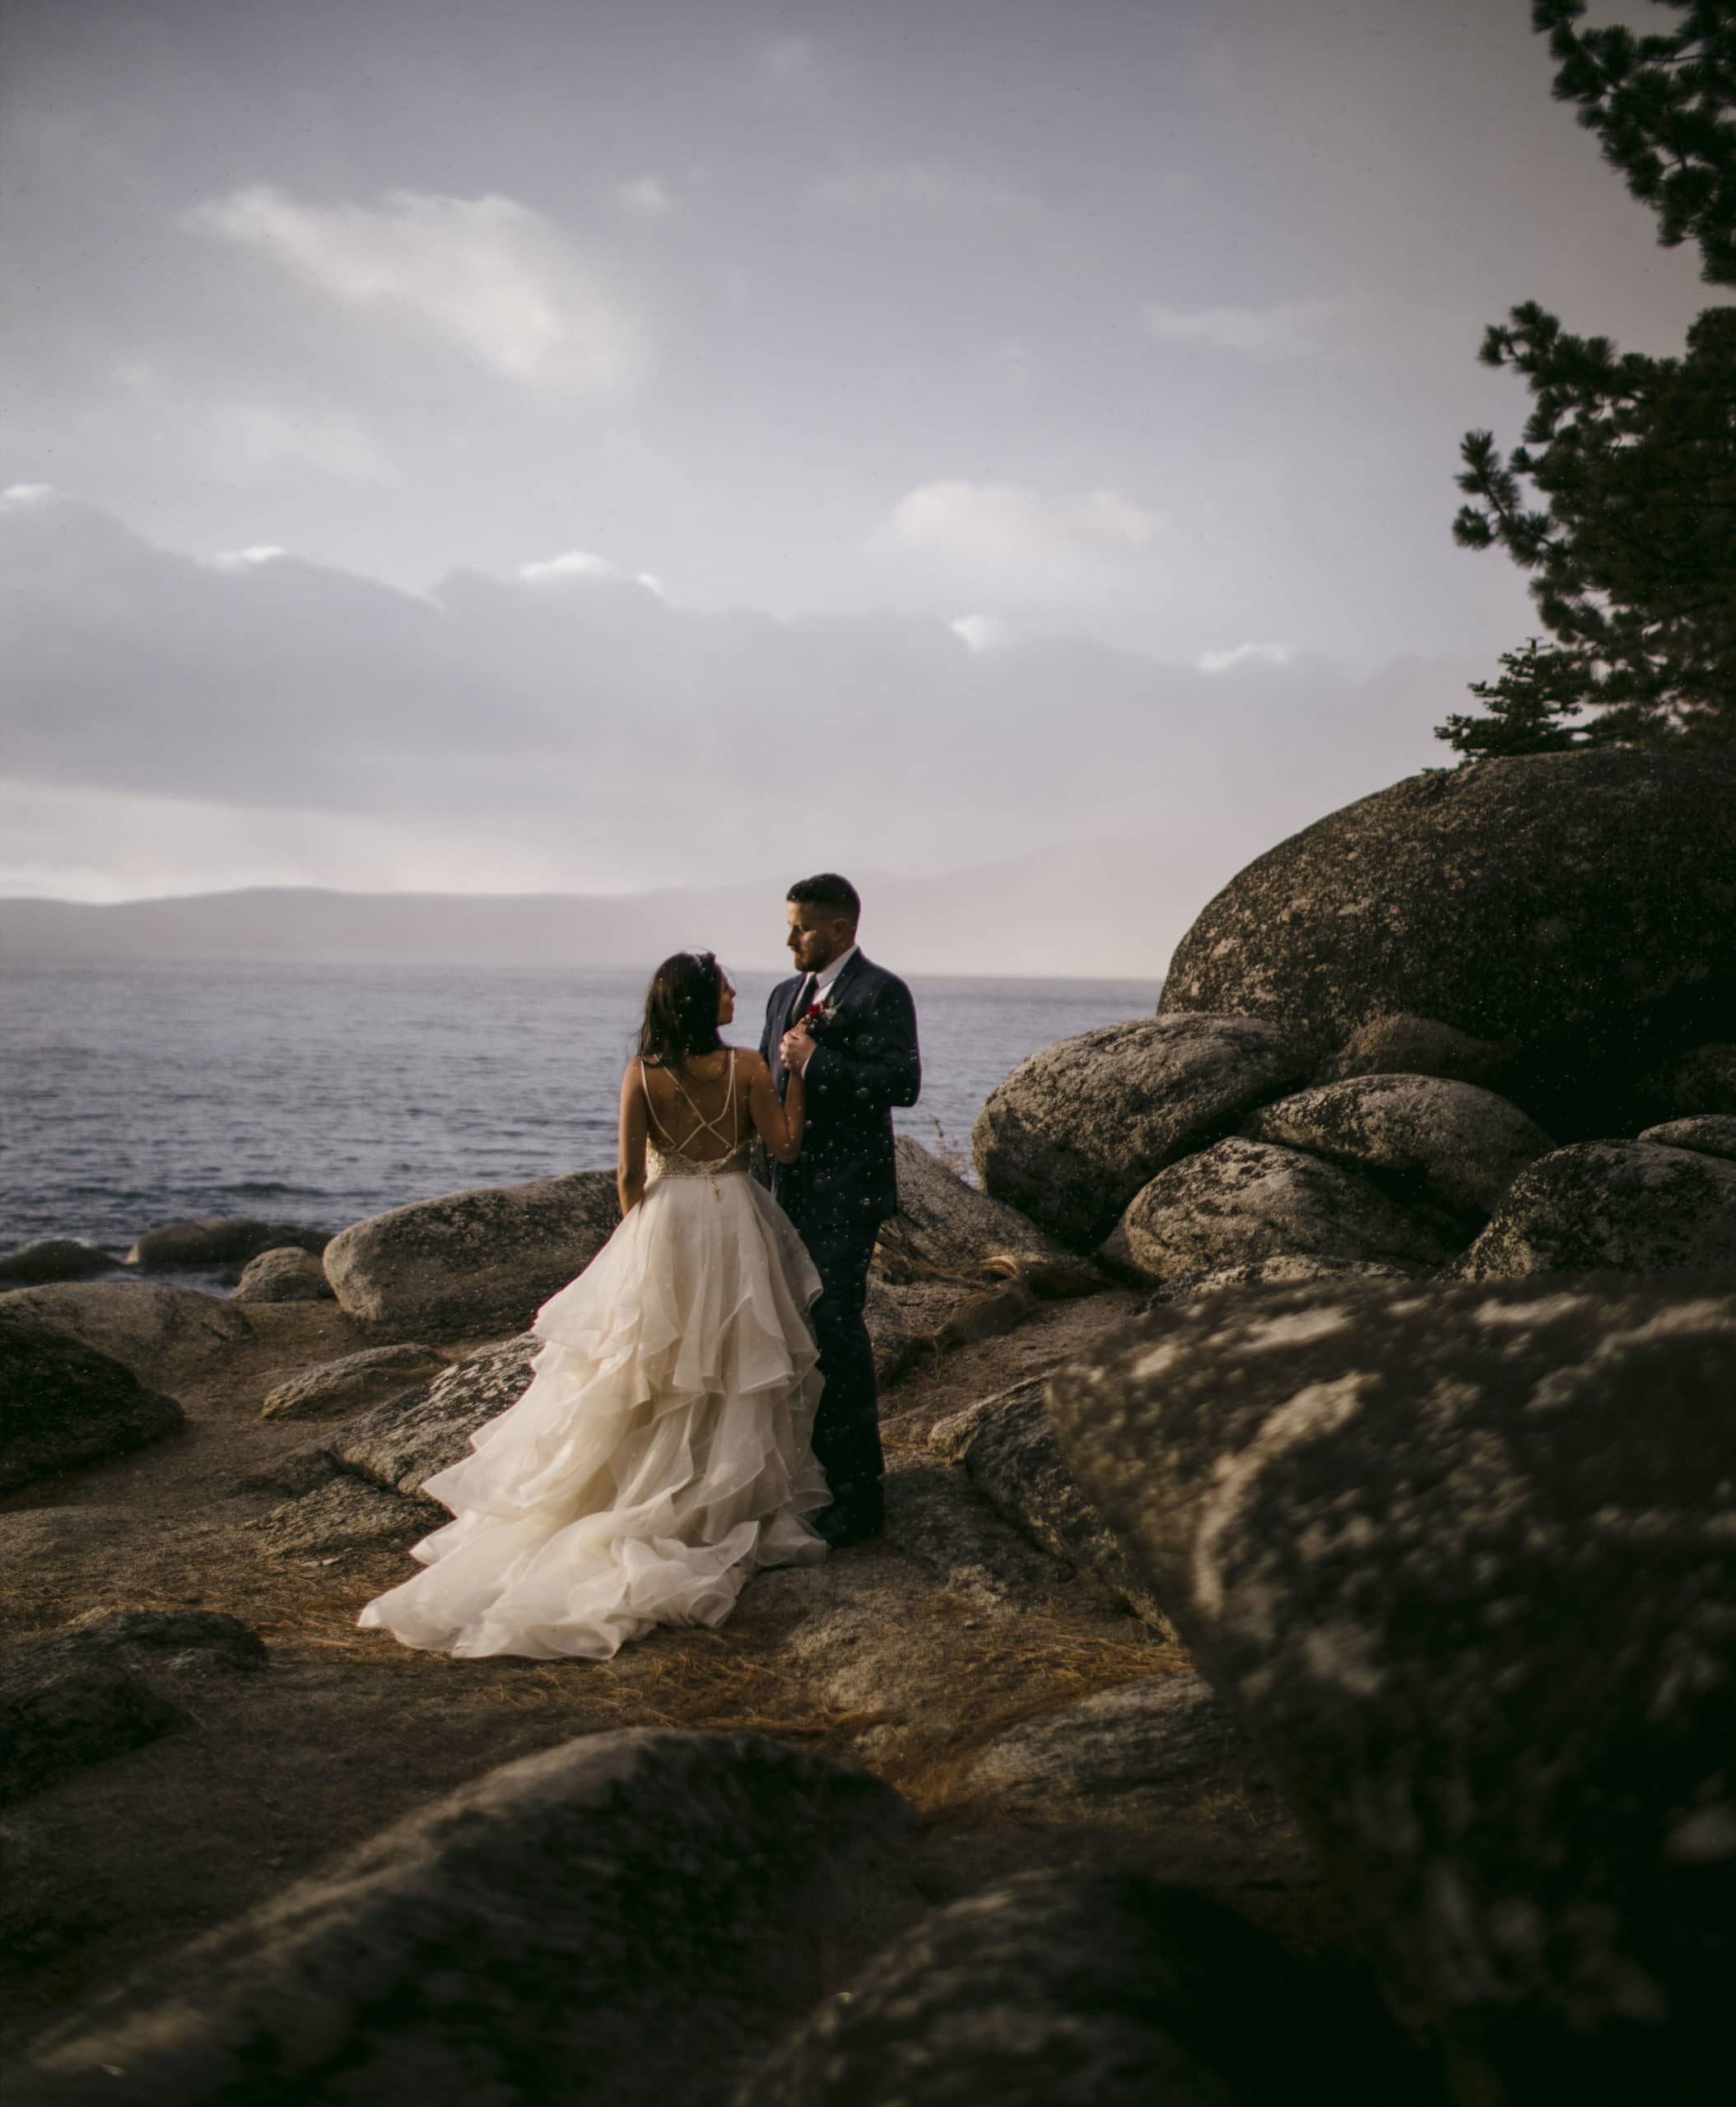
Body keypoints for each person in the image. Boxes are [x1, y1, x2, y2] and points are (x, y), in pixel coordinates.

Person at [356, 951, 828, 1660]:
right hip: (733, 1219)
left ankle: (635, 1487)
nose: (736, 992)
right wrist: (800, 1077)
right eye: (725, 985)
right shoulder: (750, 1070)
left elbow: (627, 1171)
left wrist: (635, 1242)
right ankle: (711, 1493)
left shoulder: (640, 1072)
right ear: (703, 1001)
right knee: (727, 1362)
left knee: (652, 1362)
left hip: (665, 1219)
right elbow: (786, 1150)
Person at [761, 874, 921, 1547]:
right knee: (789, 1334)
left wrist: (821, 1061)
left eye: (802, 927)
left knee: (835, 1330)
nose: (790, 937)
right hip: (783, 1194)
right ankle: (805, 1478)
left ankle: (859, 1495)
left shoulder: (880, 992)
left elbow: (901, 1084)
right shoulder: (781, 995)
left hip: (845, 1195)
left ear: (841, 930)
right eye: (790, 925)